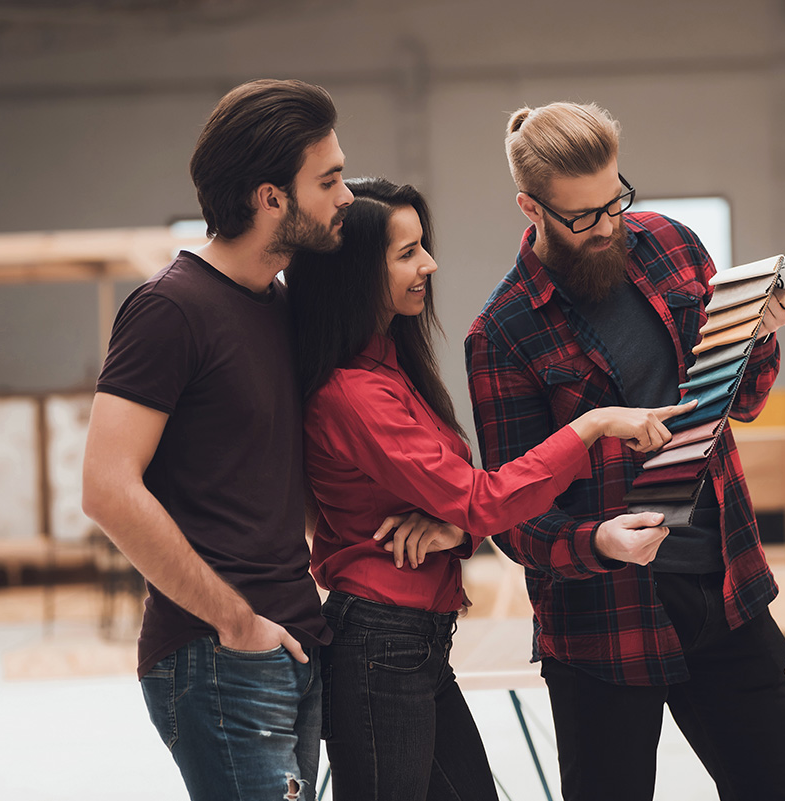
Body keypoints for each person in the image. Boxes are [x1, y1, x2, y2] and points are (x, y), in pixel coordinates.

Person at [284, 176, 693, 801]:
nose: (430, 264)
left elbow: (462, 497)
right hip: (378, 641)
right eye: (406, 253)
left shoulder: (388, 364)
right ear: (354, 274)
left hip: (412, 640)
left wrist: (459, 524)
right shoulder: (352, 394)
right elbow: (479, 495)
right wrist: (592, 425)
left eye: (423, 245)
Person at [465, 101, 785, 801]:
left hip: (726, 590)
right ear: (530, 208)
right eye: (583, 216)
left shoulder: (672, 247)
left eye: (615, 201)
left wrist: (762, 334)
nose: (608, 226)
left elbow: (738, 402)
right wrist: (599, 540)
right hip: (602, 624)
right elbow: (512, 515)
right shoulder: (503, 335)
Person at [81, 79, 353, 801]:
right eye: (328, 180)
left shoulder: (281, 306)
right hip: (220, 652)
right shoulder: (170, 309)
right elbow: (107, 487)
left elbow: (282, 480)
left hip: (292, 637)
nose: (346, 196)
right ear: (270, 198)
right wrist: (235, 620)